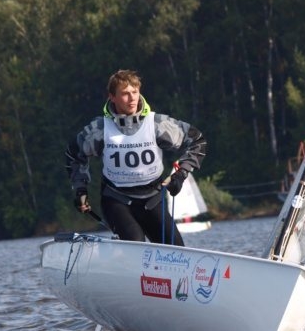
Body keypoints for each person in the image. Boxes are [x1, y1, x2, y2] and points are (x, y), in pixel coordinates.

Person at [65, 69, 206, 247]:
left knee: (177, 250)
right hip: (117, 201)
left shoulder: (157, 124)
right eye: (125, 93)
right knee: (136, 244)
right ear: (112, 97)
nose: (132, 98)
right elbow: (74, 155)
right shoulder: (99, 129)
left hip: (153, 200)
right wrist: (80, 190)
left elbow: (197, 141)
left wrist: (181, 174)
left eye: (135, 92)